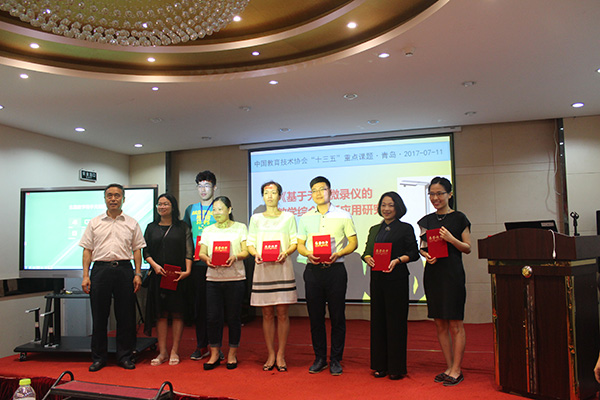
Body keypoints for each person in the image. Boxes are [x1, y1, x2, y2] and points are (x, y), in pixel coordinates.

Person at [80, 183, 146, 372]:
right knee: (99, 316)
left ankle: (125, 356)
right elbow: (87, 250)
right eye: (109, 195)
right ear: (105, 199)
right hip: (100, 270)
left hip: (124, 269)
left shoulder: (132, 223)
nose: (113, 199)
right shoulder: (94, 222)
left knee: (125, 316)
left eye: (117, 195)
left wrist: (138, 273)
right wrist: (85, 275)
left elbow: (137, 250)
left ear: (123, 199)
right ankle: (98, 358)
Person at [297, 176, 358, 376]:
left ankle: (336, 359)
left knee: (337, 316)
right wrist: (308, 253)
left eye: (322, 189)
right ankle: (320, 358)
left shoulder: (344, 215)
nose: (318, 193)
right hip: (313, 271)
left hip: (335, 271)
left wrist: (339, 253)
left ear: (330, 191)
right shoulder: (305, 217)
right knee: (315, 317)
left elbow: (353, 243)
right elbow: (300, 245)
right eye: (314, 190)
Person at [418, 176, 471, 387]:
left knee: (455, 323)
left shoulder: (459, 218)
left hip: (452, 275)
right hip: (433, 274)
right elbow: (422, 247)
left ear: (449, 194)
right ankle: (449, 367)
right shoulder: (426, 221)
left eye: (439, 193)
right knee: (439, 323)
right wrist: (426, 255)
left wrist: (451, 239)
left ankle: (457, 369)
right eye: (432, 194)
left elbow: (467, 247)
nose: (435, 198)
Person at [362, 192, 419, 380]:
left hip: (397, 280)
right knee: (378, 321)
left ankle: (396, 367)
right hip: (377, 279)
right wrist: (367, 258)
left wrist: (397, 260)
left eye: (391, 205)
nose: (386, 209)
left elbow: (414, 253)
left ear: (398, 207)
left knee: (396, 323)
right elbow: (366, 251)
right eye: (383, 205)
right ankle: (380, 365)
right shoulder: (374, 229)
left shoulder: (405, 228)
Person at [247, 181, 298, 372]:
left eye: (274, 192)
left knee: (283, 313)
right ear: (262, 196)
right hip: (263, 269)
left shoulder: (288, 217)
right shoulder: (256, 218)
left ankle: (281, 354)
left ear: (280, 196)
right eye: (266, 193)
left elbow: (294, 241)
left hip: (282, 268)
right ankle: (270, 353)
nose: (270, 196)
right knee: (267, 314)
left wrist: (286, 252)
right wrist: (255, 254)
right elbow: (250, 243)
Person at [197, 196, 249, 370]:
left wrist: (235, 256)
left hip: (235, 278)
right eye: (214, 210)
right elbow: (202, 252)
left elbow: (245, 251)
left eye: (220, 209)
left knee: (234, 318)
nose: (217, 213)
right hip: (213, 279)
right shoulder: (208, 230)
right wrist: (206, 259)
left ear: (229, 209)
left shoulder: (240, 227)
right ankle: (214, 353)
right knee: (213, 317)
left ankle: (232, 353)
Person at [143, 193, 193, 366]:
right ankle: (163, 352)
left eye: (166, 204)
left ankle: (174, 351)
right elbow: (145, 251)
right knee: (161, 315)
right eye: (159, 204)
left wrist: (188, 271)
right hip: (158, 276)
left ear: (173, 206)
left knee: (177, 314)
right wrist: (155, 266)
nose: (162, 207)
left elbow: (189, 250)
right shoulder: (151, 227)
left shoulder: (182, 227)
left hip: (177, 276)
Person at [183, 170, 218, 361]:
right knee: (200, 307)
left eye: (207, 185)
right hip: (197, 265)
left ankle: (216, 346)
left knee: (216, 308)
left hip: (216, 263)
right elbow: (186, 236)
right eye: (200, 186)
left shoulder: (220, 206)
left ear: (214, 187)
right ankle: (201, 345)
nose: (203, 190)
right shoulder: (191, 209)